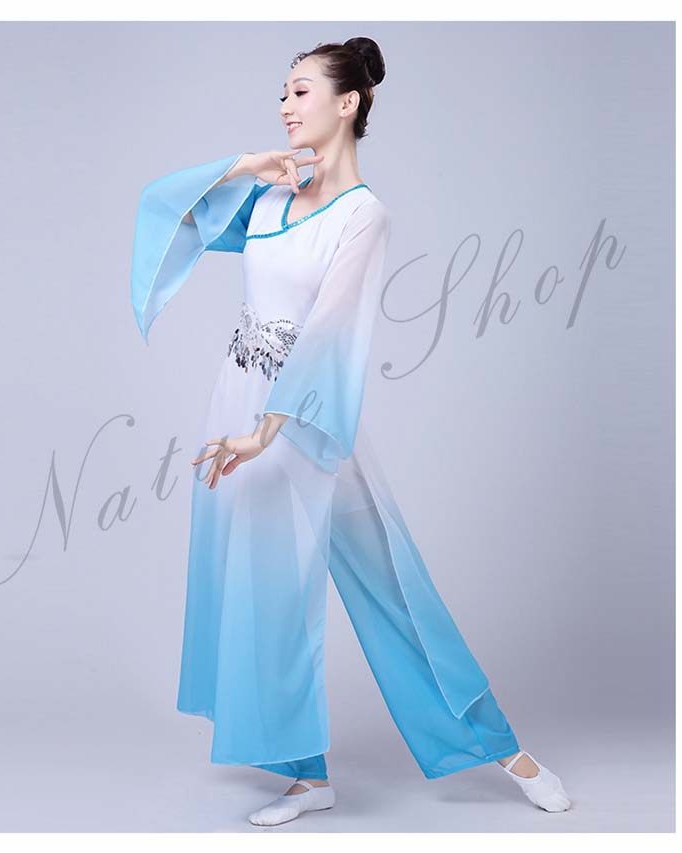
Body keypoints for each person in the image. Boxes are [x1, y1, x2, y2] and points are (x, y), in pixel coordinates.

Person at [130, 37, 571, 828]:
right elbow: (169, 209)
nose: (285, 105)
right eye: (282, 92)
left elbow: (331, 333)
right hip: (237, 405)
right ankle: (306, 775)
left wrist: (266, 431)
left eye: (300, 91)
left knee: (393, 588)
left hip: (303, 418)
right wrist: (247, 165)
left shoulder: (364, 216)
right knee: (262, 591)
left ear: (348, 103)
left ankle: (509, 750)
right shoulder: (269, 198)